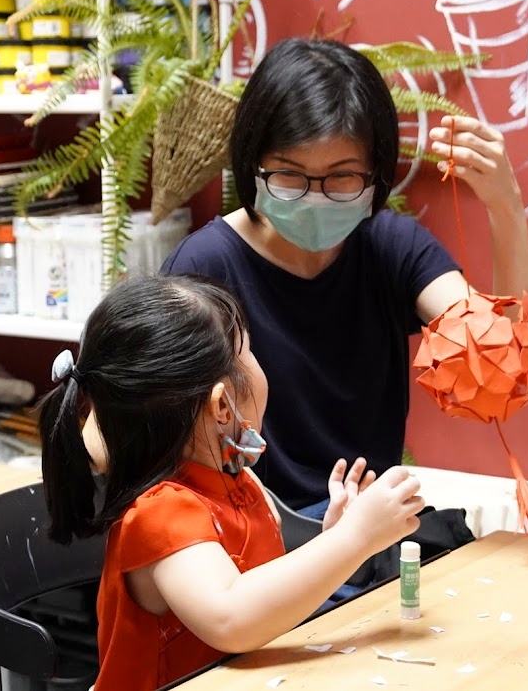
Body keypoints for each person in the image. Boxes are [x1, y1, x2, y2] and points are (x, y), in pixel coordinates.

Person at [160, 37, 528, 516]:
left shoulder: (391, 247)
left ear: (376, 171)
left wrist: (505, 208)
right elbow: (162, 448)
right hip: (256, 539)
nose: (314, 197)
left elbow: (506, 368)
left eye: (342, 176)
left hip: (373, 529)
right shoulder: (203, 268)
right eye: (289, 174)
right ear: (252, 162)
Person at [39, 274, 424, 691]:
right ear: (223, 406)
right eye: (250, 351)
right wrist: (353, 538)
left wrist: (329, 540)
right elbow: (231, 618)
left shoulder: (238, 479)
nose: (262, 363)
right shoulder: (161, 514)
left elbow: (263, 591)